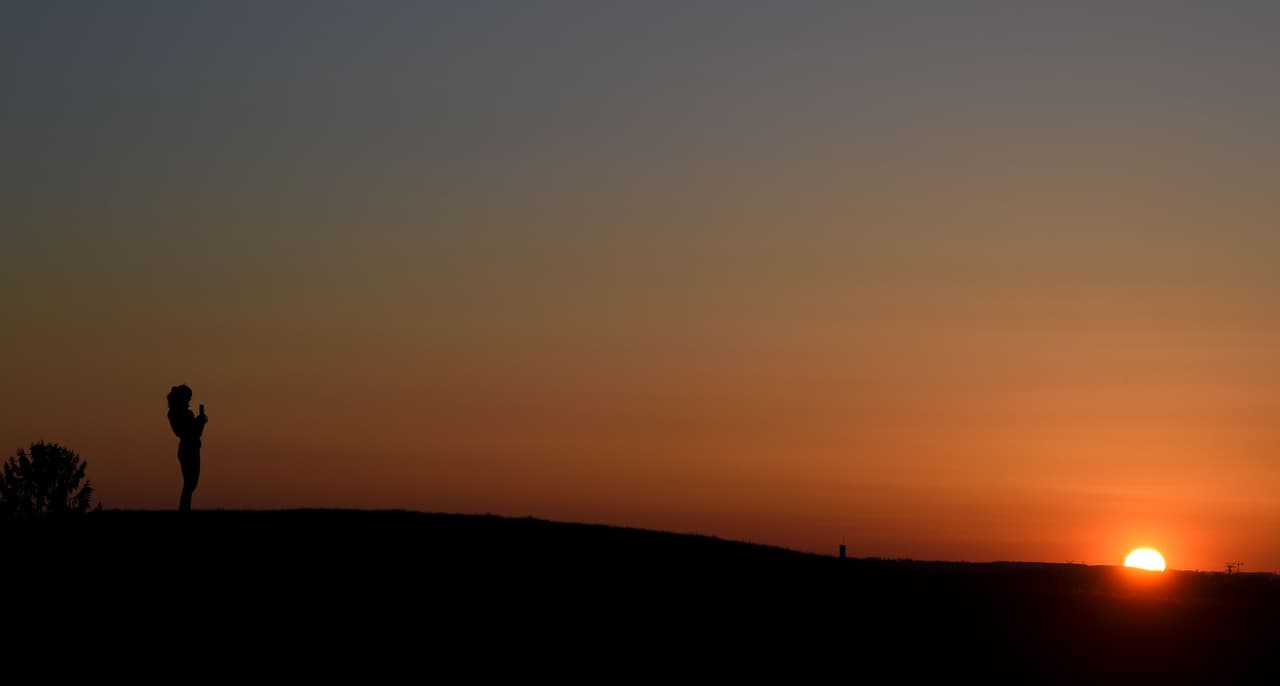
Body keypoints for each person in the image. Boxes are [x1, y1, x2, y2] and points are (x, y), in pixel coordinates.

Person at [167, 384, 208, 512]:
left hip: (189, 448)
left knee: (191, 483)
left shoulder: (174, 413)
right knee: (190, 483)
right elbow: (190, 432)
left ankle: (185, 508)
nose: (190, 400)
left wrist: (199, 422)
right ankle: (184, 509)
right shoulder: (181, 413)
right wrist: (200, 421)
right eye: (188, 397)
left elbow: (192, 431)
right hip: (188, 448)